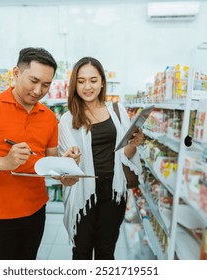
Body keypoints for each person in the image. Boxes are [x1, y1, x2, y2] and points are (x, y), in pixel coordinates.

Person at [0, 47, 79, 260]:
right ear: (16, 73)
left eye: (46, 85)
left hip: (36, 212)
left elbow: (51, 164)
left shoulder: (48, 118)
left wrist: (67, 172)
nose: (38, 91)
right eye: (33, 81)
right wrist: (2, 162)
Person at [58, 57, 144, 260]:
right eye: (81, 81)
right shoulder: (67, 118)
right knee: (81, 252)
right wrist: (71, 159)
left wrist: (134, 143)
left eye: (93, 80)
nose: (87, 86)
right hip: (83, 194)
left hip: (113, 192)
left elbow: (125, 156)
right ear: (74, 84)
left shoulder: (117, 111)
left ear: (102, 82)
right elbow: (66, 166)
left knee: (106, 252)